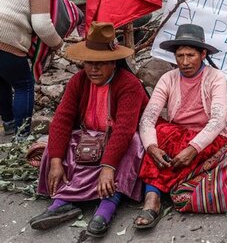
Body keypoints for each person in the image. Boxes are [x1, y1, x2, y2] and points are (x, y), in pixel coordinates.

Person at [30, 22, 149, 237]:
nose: (93, 69)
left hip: (116, 141)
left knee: (133, 143)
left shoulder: (129, 84)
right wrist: (56, 161)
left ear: (113, 62)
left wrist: (108, 167)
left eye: (100, 63)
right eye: (89, 63)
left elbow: (123, 129)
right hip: (88, 139)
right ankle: (63, 200)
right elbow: (62, 119)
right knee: (60, 142)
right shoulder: (78, 80)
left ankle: (107, 206)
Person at [134, 24, 227, 229]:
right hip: (178, 132)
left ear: (203, 54)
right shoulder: (168, 79)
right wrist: (151, 147)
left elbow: (217, 120)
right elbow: (148, 118)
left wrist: (193, 148)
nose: (185, 62)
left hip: (208, 134)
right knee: (159, 134)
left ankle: (157, 193)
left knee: (180, 147)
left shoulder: (216, 77)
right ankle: (152, 199)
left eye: (191, 55)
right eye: (180, 56)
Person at [0, 0, 64, 138]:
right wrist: (59, 45)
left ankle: (9, 124)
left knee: (2, 79)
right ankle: (22, 138)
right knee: (23, 85)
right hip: (5, 35)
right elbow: (42, 26)